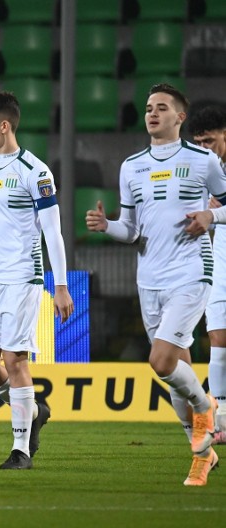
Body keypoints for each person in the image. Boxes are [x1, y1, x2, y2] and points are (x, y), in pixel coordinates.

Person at [86, 84, 226, 486]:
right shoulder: (131, 166)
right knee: (174, 375)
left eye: (161, 108)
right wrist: (106, 226)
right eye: (148, 108)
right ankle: (203, 456)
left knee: (161, 362)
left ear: (179, 118)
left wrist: (210, 219)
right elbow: (131, 230)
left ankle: (206, 406)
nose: (152, 114)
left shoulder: (203, 160)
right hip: (149, 278)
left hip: (190, 272)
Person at [0, 91, 73, 470]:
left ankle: (21, 450)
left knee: (15, 359)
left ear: (4, 126)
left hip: (23, 277)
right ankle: (33, 410)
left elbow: (52, 233)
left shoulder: (35, 172)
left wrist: (60, 286)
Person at [185, 104, 226, 445]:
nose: (204, 149)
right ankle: (222, 417)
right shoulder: (200, 169)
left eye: (210, 141)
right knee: (218, 337)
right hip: (220, 260)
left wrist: (216, 214)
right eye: (198, 142)